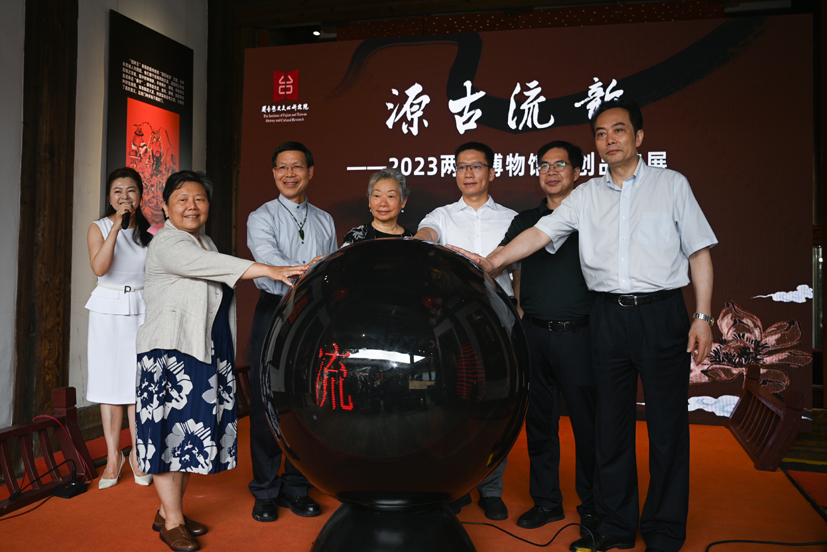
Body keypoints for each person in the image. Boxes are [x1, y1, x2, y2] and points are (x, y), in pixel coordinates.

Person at [451, 99, 716, 552]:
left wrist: (703, 316)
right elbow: (540, 234)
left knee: (667, 429)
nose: (610, 139)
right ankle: (615, 526)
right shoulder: (586, 196)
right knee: (610, 428)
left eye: (619, 130)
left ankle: (664, 530)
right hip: (607, 316)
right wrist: (491, 263)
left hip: (661, 314)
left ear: (639, 137)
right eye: (601, 133)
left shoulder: (671, 185)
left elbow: (699, 251)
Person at [135, 170, 307, 552]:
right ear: (165, 206)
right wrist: (271, 269)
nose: (192, 206)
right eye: (182, 199)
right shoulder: (168, 242)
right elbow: (215, 267)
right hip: (170, 355)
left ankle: (167, 512)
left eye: (199, 199)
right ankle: (173, 522)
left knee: (186, 437)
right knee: (167, 437)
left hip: (202, 351)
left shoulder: (205, 241)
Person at [495, 142, 598, 534]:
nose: (551, 171)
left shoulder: (593, 215)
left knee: (588, 427)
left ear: (577, 172)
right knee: (539, 424)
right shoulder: (526, 220)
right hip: (535, 335)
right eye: (544, 165)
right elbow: (502, 258)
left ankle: (594, 506)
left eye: (560, 164)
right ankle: (546, 502)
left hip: (581, 336)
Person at [413, 141, 519, 521]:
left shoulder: (511, 218)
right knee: (452, 405)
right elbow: (427, 234)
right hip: (454, 324)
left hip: (500, 322)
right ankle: (454, 485)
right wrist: (421, 241)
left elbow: (520, 271)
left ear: (492, 172)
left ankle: (491, 489)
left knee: (496, 407)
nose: (468, 173)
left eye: (476, 166)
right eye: (461, 167)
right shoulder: (442, 215)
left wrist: (519, 313)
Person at [247, 141, 337, 522]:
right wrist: (307, 270)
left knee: (306, 400)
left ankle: (298, 486)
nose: (289, 174)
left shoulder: (325, 219)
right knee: (265, 400)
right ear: (273, 173)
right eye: (282, 167)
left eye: (297, 167)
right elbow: (269, 261)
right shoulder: (261, 217)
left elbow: (331, 269)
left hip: (312, 313)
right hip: (274, 309)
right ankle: (266, 490)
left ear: (310, 172)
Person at [86, 167, 154, 489]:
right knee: (109, 385)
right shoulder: (98, 227)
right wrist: (116, 226)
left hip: (142, 309)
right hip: (107, 311)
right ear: (109, 197)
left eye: (131, 191)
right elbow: (100, 268)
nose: (124, 196)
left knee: (138, 385)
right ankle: (114, 457)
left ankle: (138, 455)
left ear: (140, 196)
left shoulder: (152, 232)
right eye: (118, 191)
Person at [341, 168, 413, 246]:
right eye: (377, 196)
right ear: (369, 200)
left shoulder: (412, 240)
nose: (383, 203)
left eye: (391, 196)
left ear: (403, 202)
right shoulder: (355, 237)